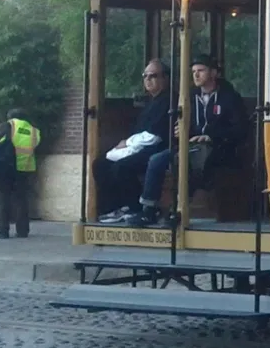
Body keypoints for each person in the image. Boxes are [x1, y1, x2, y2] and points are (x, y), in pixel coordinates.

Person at [115, 57, 247, 226]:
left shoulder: (229, 97)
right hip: (190, 145)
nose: (196, 75)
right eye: (193, 72)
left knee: (185, 162)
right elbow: (186, 124)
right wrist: (182, 131)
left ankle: (175, 211)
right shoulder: (190, 96)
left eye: (201, 71)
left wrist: (212, 136)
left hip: (220, 147)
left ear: (214, 73)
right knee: (158, 159)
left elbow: (241, 129)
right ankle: (150, 211)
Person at [92, 58, 172, 219]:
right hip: (139, 147)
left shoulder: (169, 100)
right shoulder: (151, 101)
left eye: (153, 76)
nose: (148, 80)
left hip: (158, 148)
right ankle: (113, 208)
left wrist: (128, 143)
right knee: (100, 163)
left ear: (165, 78)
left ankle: (136, 208)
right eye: (145, 76)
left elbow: (154, 136)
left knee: (122, 167)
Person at [0, 108, 41, 240]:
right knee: (21, 199)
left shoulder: (8, 126)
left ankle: (3, 230)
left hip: (6, 167)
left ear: (10, 117)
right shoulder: (34, 131)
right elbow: (35, 146)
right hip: (25, 168)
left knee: (4, 199)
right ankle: (23, 231)